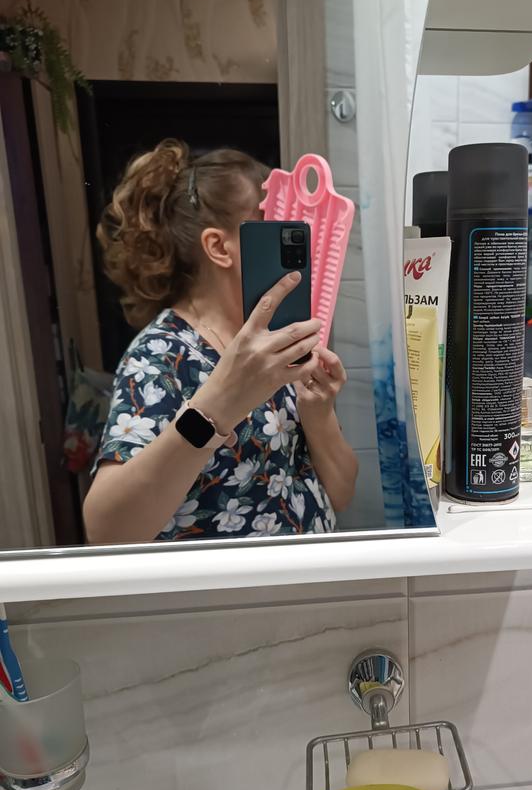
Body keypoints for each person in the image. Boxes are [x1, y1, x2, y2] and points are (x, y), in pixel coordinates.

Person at [83, 138, 358, 544]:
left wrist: (318, 415)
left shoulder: (277, 344)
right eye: (270, 225)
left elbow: (341, 494)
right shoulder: (162, 355)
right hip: (223, 586)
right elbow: (107, 532)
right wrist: (219, 406)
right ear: (218, 246)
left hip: (311, 580)